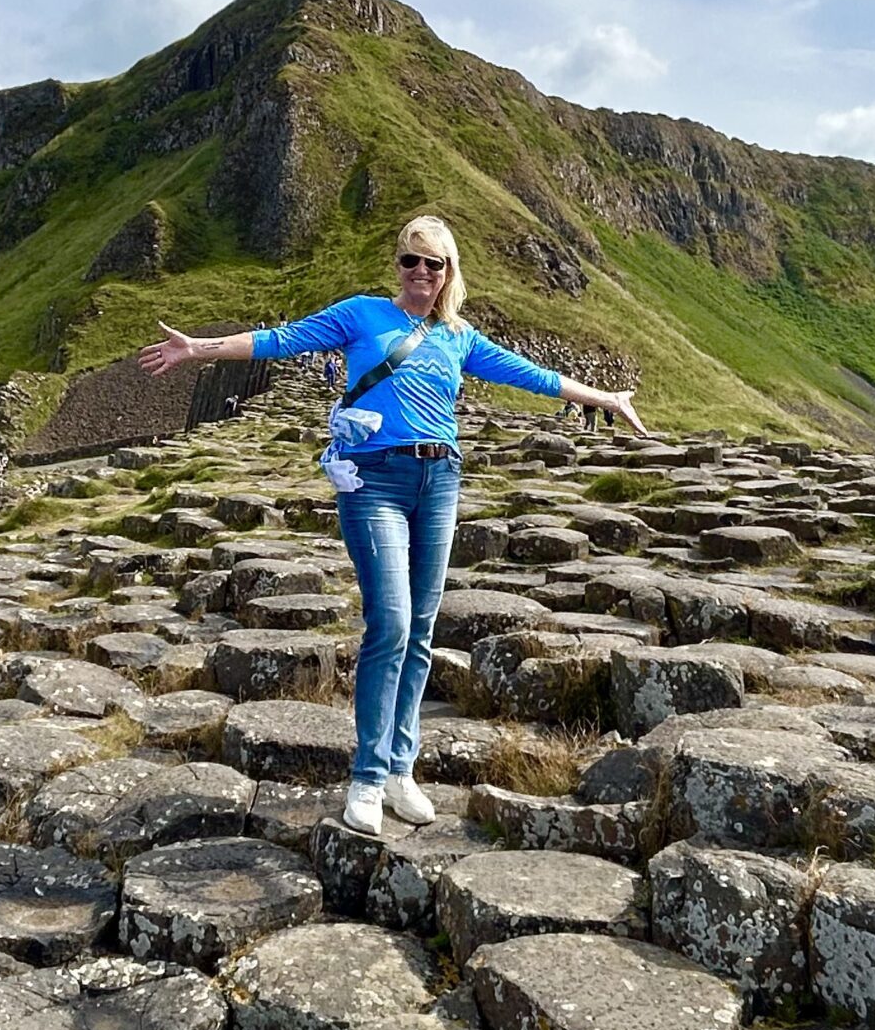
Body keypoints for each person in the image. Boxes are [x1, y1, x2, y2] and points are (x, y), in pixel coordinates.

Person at [140, 213, 645, 837]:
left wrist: (605, 399)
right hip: (374, 480)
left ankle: (402, 769)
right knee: (393, 624)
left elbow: (531, 375)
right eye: (411, 260)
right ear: (398, 265)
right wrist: (200, 349)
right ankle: (368, 776)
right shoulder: (361, 315)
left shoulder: (457, 336)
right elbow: (281, 339)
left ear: (449, 273)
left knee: (423, 632)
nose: (421, 274)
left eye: (434, 264)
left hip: (441, 480)